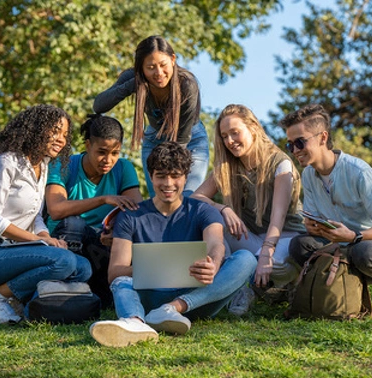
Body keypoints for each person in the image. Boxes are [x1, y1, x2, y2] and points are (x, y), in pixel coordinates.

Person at [89, 142, 256, 347]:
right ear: (150, 177)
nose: (168, 183)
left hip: (196, 300)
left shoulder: (203, 210)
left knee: (246, 259)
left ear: (186, 177)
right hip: (148, 299)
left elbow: (216, 244)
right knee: (121, 282)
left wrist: (213, 263)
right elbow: (115, 271)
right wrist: (161, 269)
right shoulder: (130, 215)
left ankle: (172, 309)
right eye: (161, 175)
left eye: (175, 175)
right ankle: (134, 322)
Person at [279, 104, 372, 319]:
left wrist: (354, 236)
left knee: (364, 251)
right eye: (290, 145)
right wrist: (313, 228)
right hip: (345, 246)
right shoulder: (308, 176)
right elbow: (317, 224)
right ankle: (336, 288)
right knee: (300, 244)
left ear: (323, 138)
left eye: (300, 142)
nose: (295, 150)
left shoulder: (359, 171)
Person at [0, 105, 92, 324]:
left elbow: (36, 216)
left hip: (17, 250)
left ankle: (30, 308)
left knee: (82, 267)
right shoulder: (6, 162)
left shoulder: (44, 166)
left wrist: (45, 237)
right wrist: (38, 240)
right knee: (64, 262)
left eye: (65, 135)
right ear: (36, 129)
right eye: (55, 131)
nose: (61, 139)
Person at [192, 104, 306, 314]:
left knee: (277, 264)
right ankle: (241, 289)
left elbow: (278, 218)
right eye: (225, 136)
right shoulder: (228, 166)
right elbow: (195, 198)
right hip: (252, 239)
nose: (230, 141)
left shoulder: (280, 164)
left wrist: (265, 256)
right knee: (211, 219)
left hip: (285, 239)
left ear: (253, 127)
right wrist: (223, 208)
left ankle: (281, 282)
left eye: (235, 133)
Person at [45, 114, 143, 306]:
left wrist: (117, 233)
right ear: (88, 145)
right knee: (74, 223)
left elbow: (137, 214)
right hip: (65, 243)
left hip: (101, 246)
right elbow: (56, 209)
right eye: (102, 152)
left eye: (115, 153)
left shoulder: (123, 168)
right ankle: (66, 290)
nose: (108, 160)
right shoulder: (63, 165)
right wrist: (103, 199)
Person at [93, 35, 209, 197]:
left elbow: (181, 140)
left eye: (163, 65)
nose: (159, 73)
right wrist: (133, 85)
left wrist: (171, 176)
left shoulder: (187, 85)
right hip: (154, 140)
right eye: (151, 67)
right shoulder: (134, 78)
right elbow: (98, 106)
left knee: (187, 198)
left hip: (190, 141)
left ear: (173, 59)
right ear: (141, 68)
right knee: (160, 200)